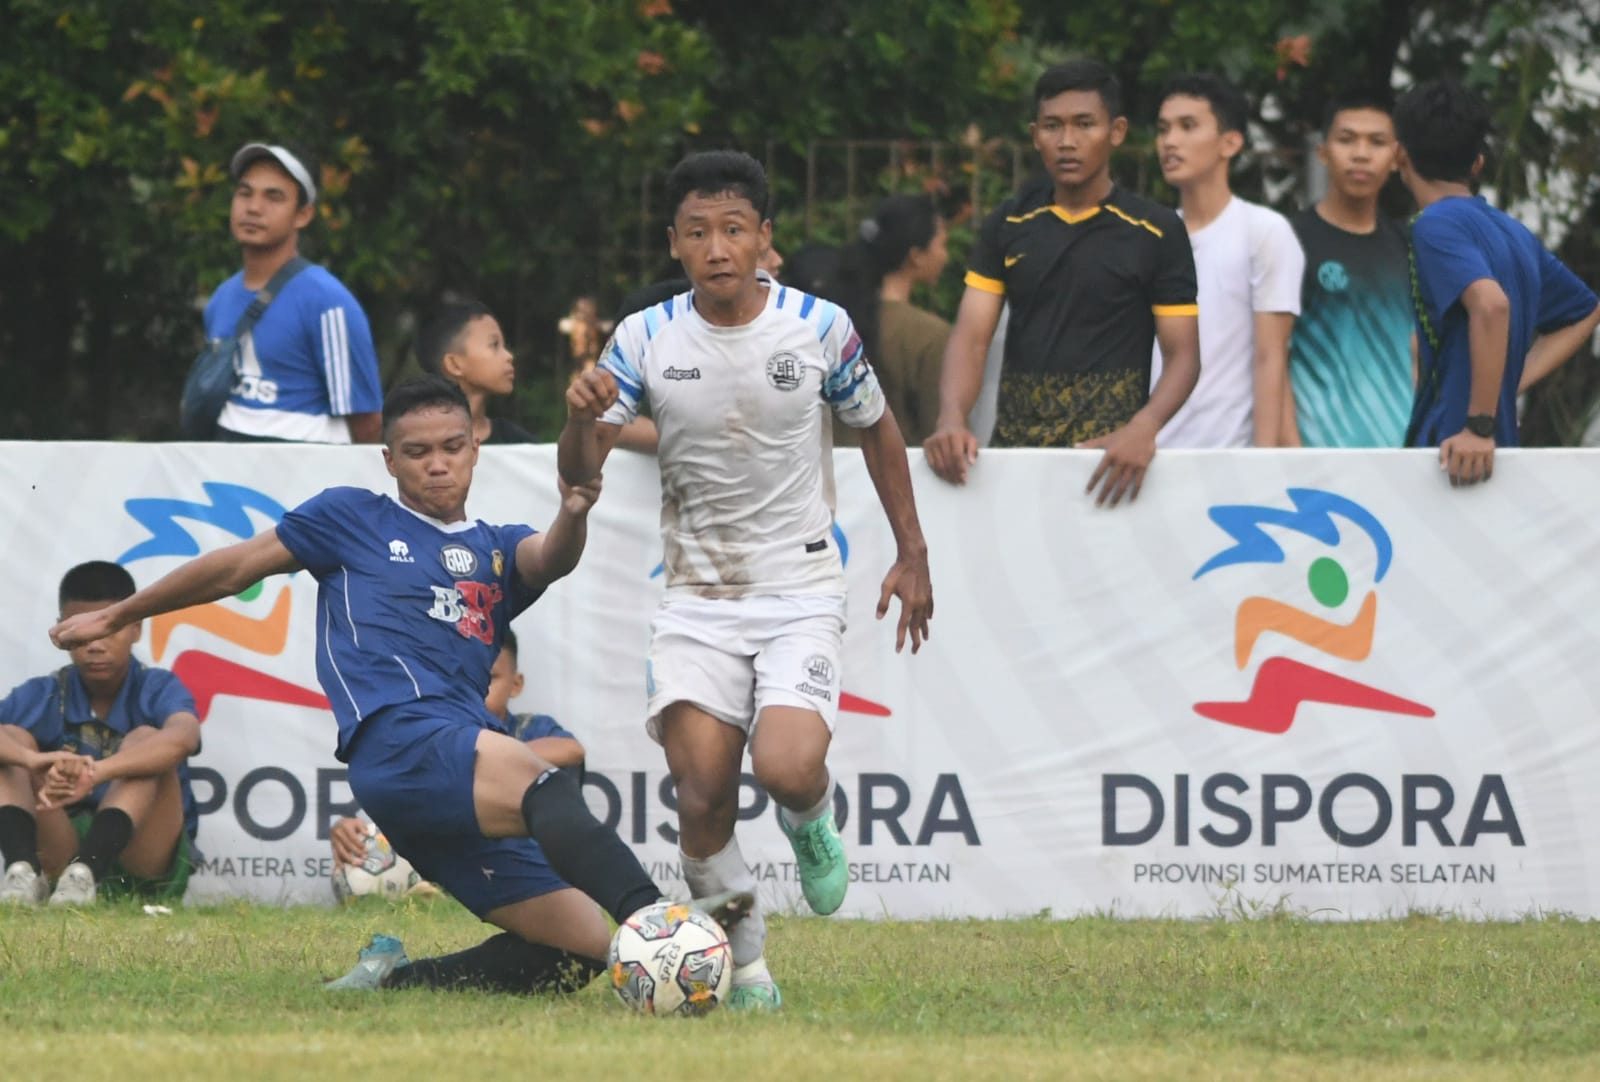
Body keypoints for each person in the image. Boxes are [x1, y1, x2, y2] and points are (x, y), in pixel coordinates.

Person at [50, 377, 750, 994]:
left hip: (447, 776)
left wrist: (574, 510)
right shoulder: (351, 517)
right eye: (417, 452)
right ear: (389, 461)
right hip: (399, 739)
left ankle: (391, 982)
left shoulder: (495, 546)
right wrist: (121, 611)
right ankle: (659, 916)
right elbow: (237, 566)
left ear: (476, 446)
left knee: (581, 951)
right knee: (540, 782)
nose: (438, 463)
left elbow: (549, 558)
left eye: (451, 446)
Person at [559, 150, 933, 1010]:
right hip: (696, 597)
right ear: (675, 244)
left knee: (791, 766)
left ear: (766, 238)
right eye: (698, 232)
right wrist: (581, 423)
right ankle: (750, 967)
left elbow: (877, 429)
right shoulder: (644, 338)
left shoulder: (821, 327)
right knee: (700, 795)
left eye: (734, 229)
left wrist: (911, 551)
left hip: (798, 587)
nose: (717, 247)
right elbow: (579, 471)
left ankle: (810, 822)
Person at [926, 60, 1201, 506]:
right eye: (1053, 126)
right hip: (1014, 463)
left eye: (1084, 124)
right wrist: (951, 417)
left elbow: (1184, 355)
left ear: (1116, 131)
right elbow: (971, 337)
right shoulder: (1009, 223)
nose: (1067, 141)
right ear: (1035, 136)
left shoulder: (1157, 230)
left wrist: (1144, 427)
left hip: (1114, 468)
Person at [1395, 80, 1600, 485]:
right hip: (1487, 454)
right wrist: (1505, 387)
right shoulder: (1512, 230)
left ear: (1399, 154)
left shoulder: (1434, 224)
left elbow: (1491, 305)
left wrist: (1479, 424)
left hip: (1455, 453)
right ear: (1478, 164)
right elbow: (1586, 310)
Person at [0, 562, 201, 907]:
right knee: (12, 740)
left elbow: (185, 738)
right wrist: (33, 759)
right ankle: (23, 872)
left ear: (137, 628)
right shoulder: (44, 692)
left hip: (142, 859)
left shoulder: (157, 686)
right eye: (81, 631)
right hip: (59, 857)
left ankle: (87, 874)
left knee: (145, 739)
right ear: (62, 631)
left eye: (109, 628)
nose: (95, 644)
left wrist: (99, 772)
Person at [330, 630, 584, 872]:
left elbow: (571, 750)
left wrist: (484, 759)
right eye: (464, 678)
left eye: (489, 678)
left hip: (529, 868)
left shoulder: (531, 728)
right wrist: (361, 833)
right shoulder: (429, 738)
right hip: (458, 870)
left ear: (515, 684)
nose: (477, 689)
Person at [1151, 74, 1304, 448]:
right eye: (1163, 129)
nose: (1171, 141)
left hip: (1230, 458)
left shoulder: (1264, 231)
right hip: (1148, 457)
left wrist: (1262, 465)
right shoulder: (1150, 238)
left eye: (1189, 126)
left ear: (1230, 142)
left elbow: (1271, 359)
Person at [206, 143, 383, 444]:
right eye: (245, 193)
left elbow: (366, 421)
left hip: (305, 475)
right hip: (229, 473)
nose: (253, 207)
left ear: (303, 215)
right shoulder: (221, 297)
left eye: (273, 197)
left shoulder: (328, 302)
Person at [1285, 90, 1415, 448]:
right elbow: (1271, 359)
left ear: (1396, 158)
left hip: (1400, 461)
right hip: (1317, 462)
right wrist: (1289, 458)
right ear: (1323, 152)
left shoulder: (1411, 248)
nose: (1360, 154)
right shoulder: (1288, 242)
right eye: (1346, 140)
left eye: (1377, 142)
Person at [826, 195, 952, 448]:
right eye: (942, 245)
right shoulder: (930, 334)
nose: (945, 256)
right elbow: (938, 430)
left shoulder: (830, 321)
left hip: (833, 473)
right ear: (916, 255)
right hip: (898, 475)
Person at [416, 300, 538, 444]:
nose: (509, 356)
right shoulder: (412, 442)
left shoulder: (518, 444)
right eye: (494, 345)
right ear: (454, 364)